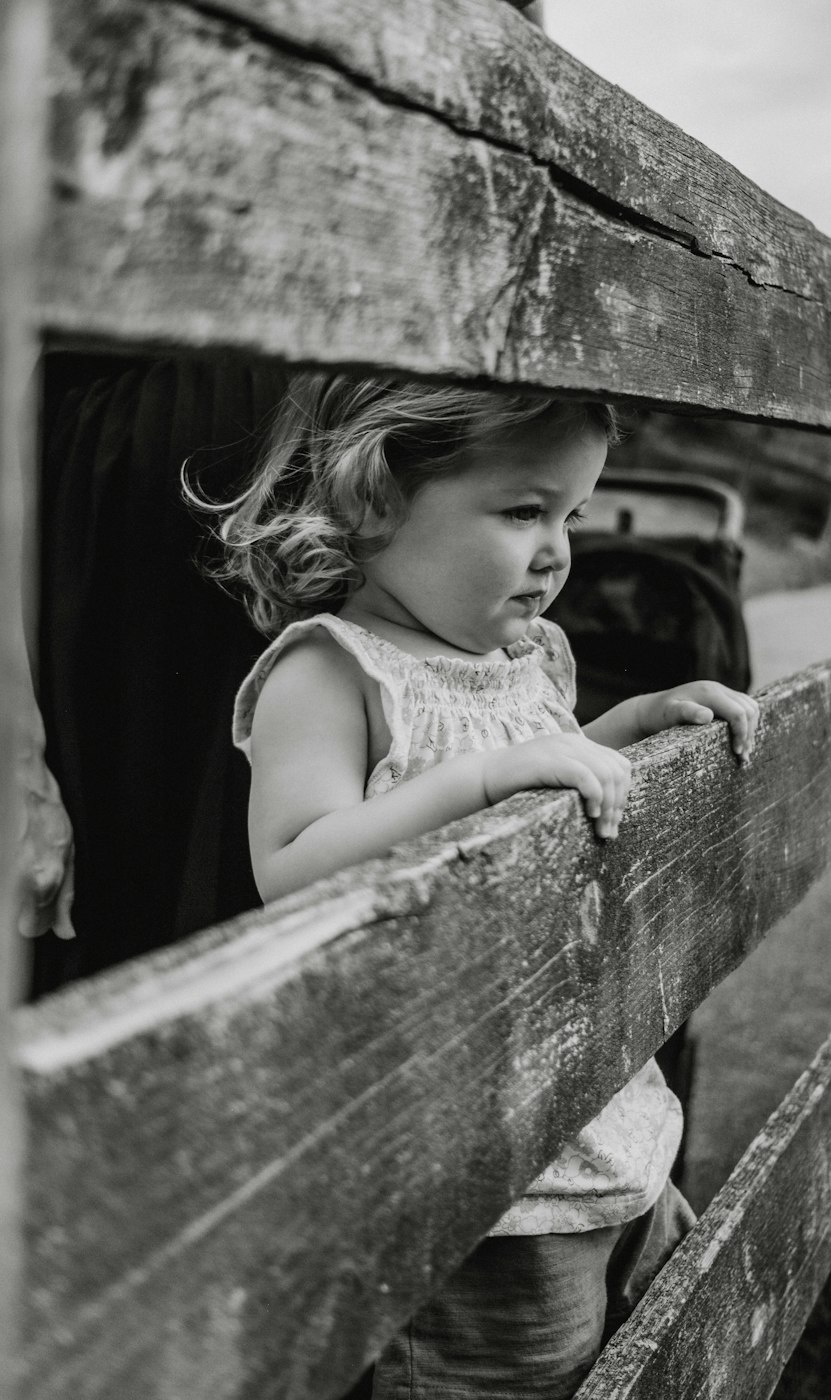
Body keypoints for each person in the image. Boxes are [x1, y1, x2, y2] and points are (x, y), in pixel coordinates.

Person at [199, 373, 759, 1400]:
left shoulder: (531, 654)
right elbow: (293, 866)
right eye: (521, 510)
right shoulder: (330, 672)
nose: (556, 548)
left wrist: (624, 729)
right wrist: (479, 782)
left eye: (571, 514)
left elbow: (546, 792)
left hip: (608, 1121)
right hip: (473, 1188)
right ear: (373, 499)